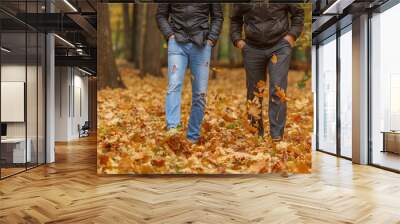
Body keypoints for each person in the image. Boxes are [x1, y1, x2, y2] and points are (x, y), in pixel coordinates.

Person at [230, 4, 304, 141]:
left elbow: (298, 13)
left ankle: (276, 135)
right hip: (252, 47)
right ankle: (255, 133)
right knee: (253, 92)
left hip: (280, 46)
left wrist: (292, 36)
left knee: (278, 88)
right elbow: (235, 18)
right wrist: (237, 40)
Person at [156, 4, 223, 143]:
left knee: (200, 93)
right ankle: (172, 129)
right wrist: (170, 35)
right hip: (177, 42)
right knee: (174, 85)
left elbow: (217, 16)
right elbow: (161, 15)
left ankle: (193, 136)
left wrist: (211, 39)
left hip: (203, 43)